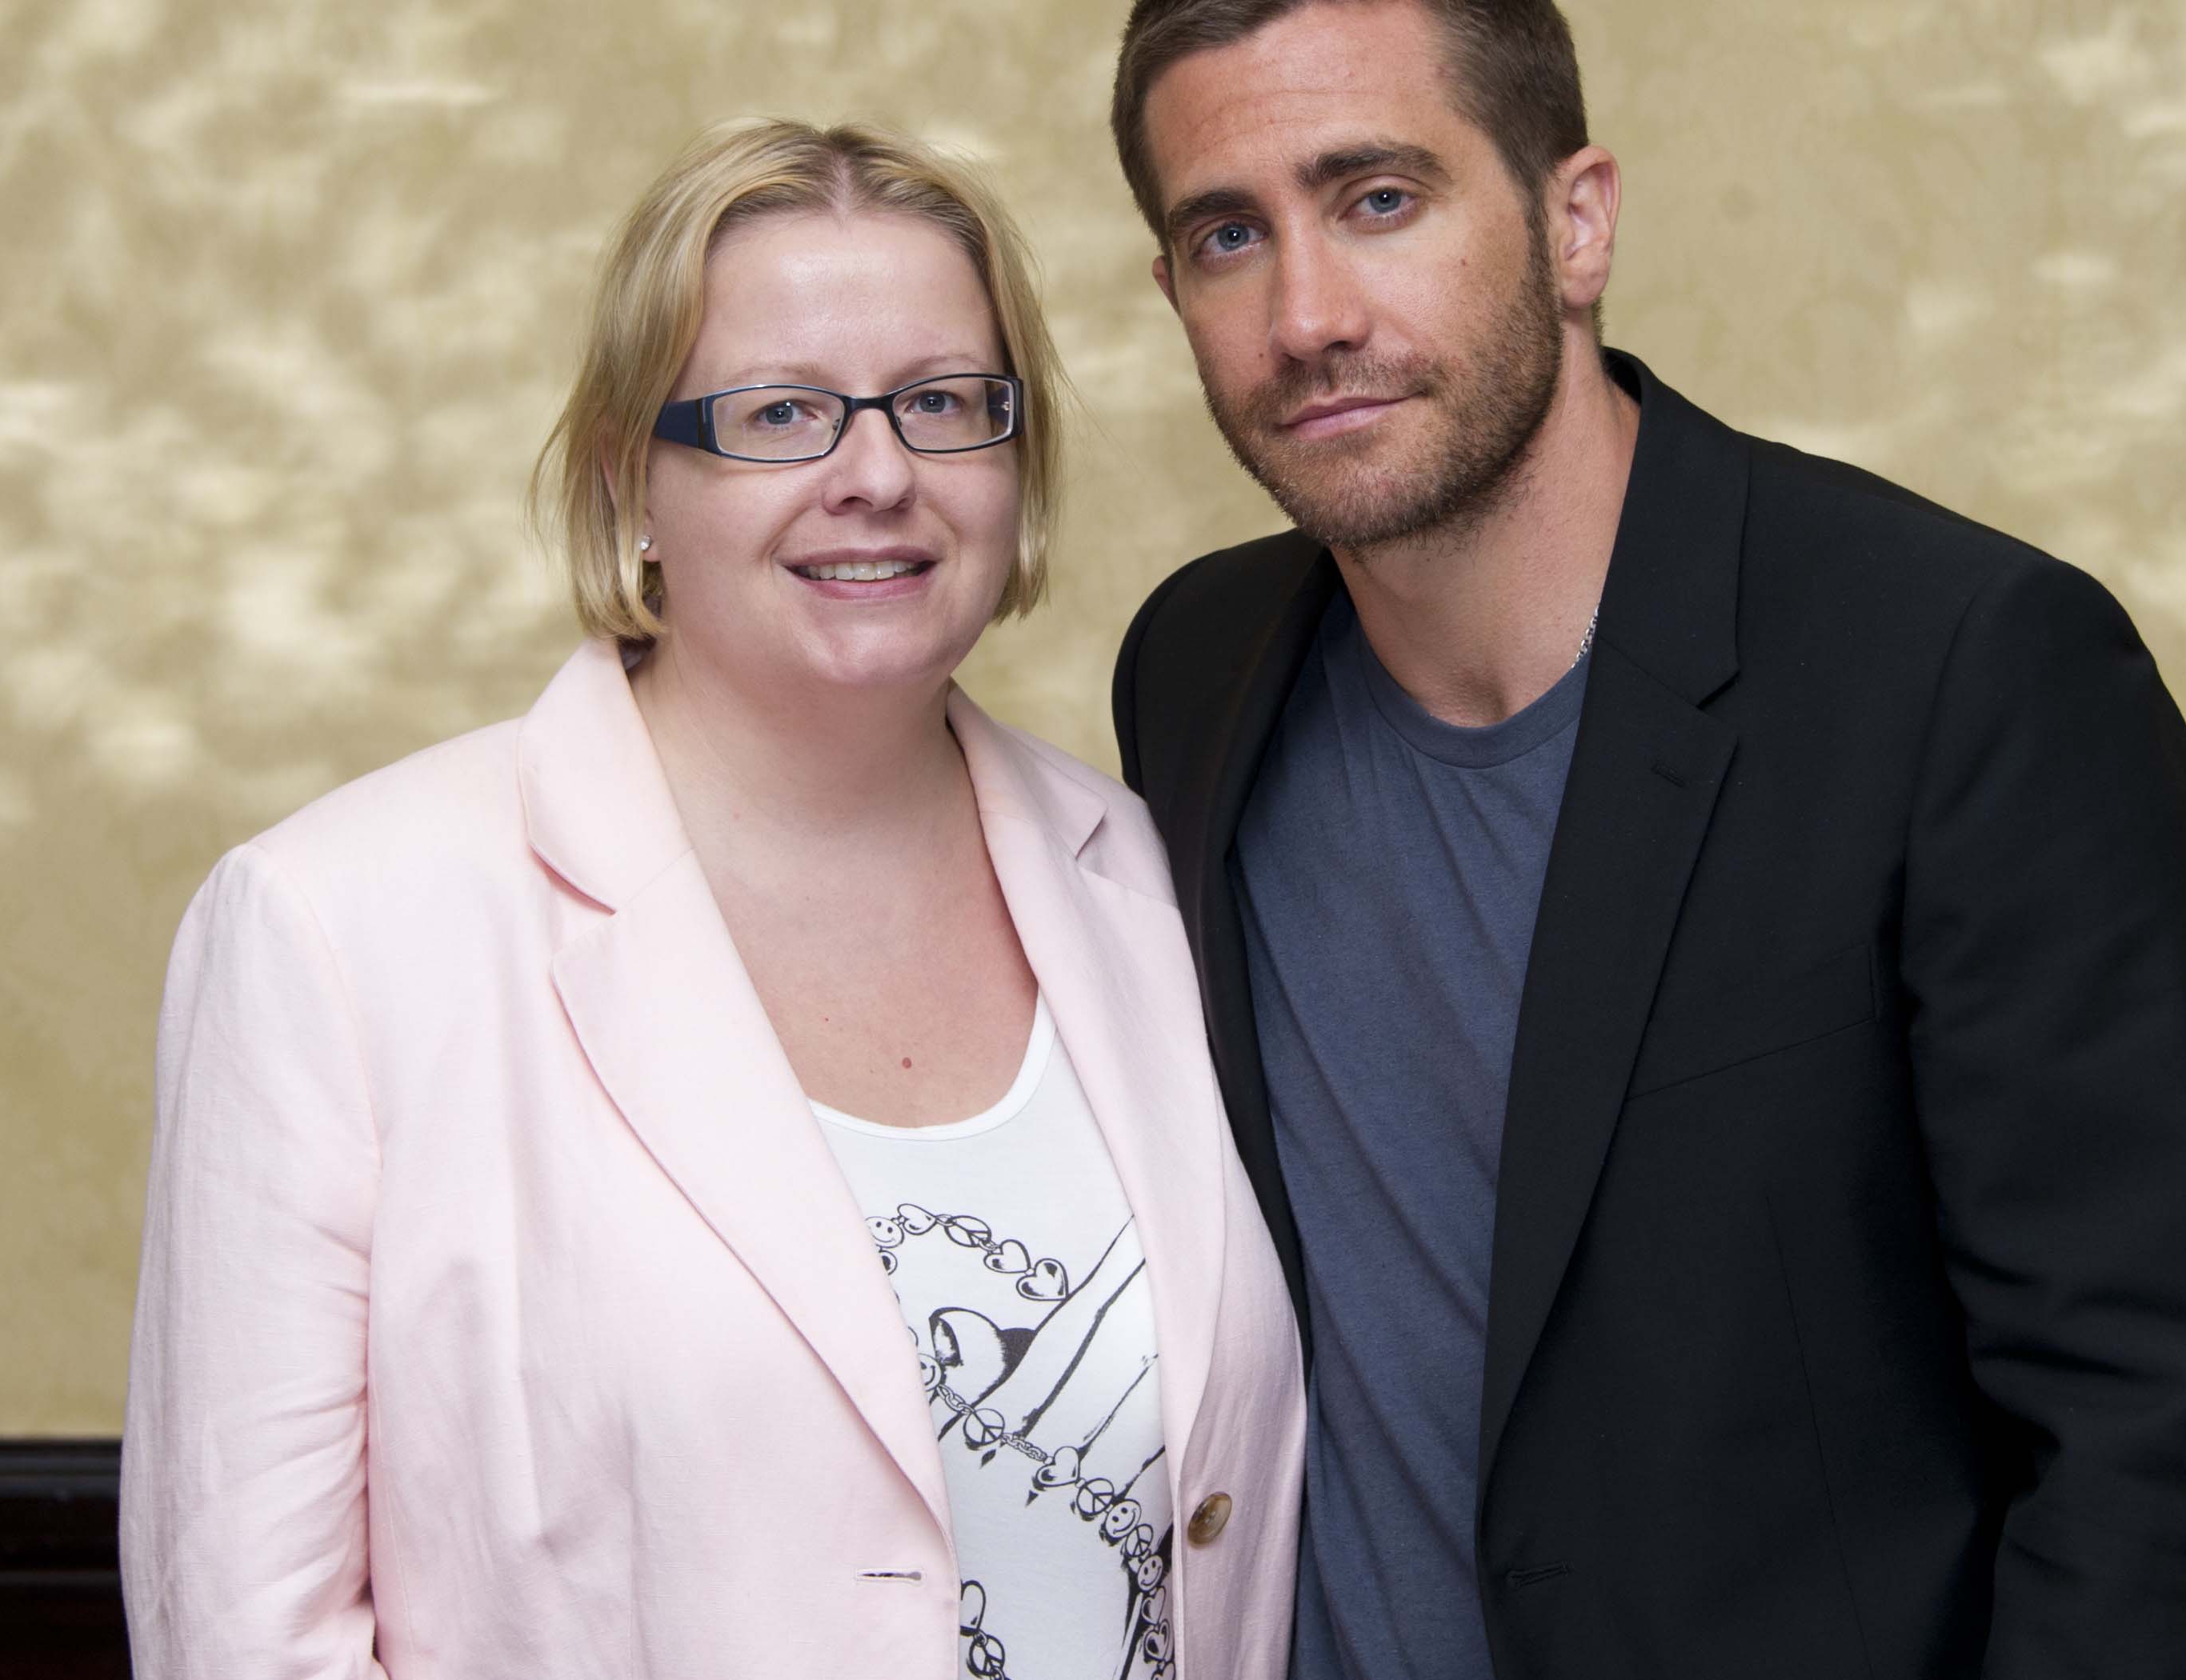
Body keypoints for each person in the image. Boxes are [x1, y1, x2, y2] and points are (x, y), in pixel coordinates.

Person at [1106, 0, 2186, 1678]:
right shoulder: (1196, 671)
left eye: (1378, 198)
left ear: (1575, 222)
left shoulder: (1961, 671)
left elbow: (2150, 1446)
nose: (1305, 313)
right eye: (1224, 236)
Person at [122, 120, 1304, 1679]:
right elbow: (247, 1641)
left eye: (943, 402)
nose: (876, 475)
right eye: (780, 414)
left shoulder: (1153, 870)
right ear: (632, 477)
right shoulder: (334, 930)